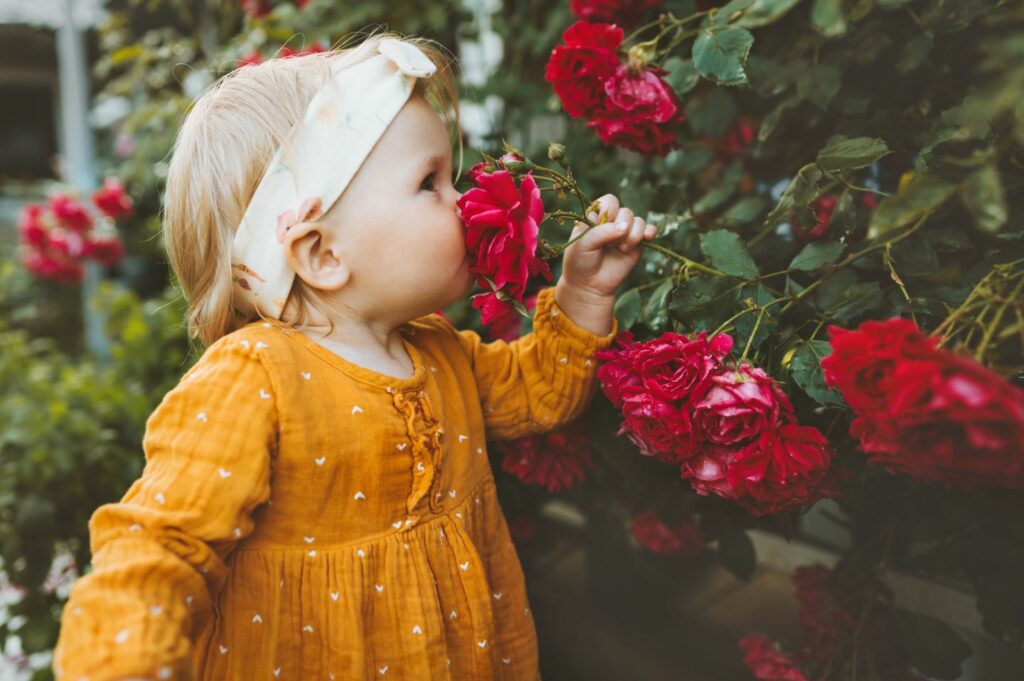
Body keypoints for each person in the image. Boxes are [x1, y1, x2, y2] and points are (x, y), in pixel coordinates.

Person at [52, 31, 656, 681]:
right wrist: (122, 661)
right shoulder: (253, 379)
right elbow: (162, 544)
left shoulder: (437, 349)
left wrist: (584, 293)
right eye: (430, 182)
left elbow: (539, 390)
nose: (463, 199)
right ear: (321, 254)